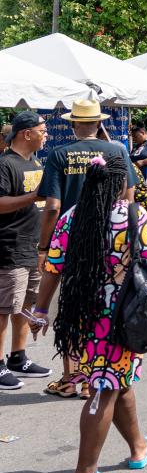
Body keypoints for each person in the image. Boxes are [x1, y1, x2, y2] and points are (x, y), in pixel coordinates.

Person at [31, 155, 147, 473]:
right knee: (105, 388)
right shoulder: (131, 216)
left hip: (82, 317)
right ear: (121, 185)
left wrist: (40, 310)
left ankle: (138, 448)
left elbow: (53, 267)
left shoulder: (72, 217)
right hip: (120, 319)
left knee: (119, 380)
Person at [36, 100, 138, 400]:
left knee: (71, 309)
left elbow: (52, 206)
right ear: (99, 123)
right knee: (104, 309)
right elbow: (128, 197)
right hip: (112, 241)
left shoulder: (59, 154)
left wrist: (44, 247)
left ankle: (71, 379)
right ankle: (94, 378)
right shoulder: (117, 151)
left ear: (72, 124)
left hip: (72, 242)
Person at [0, 111, 51, 390]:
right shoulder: (5, 164)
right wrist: (34, 196)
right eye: (43, 130)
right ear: (26, 133)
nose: (47, 135)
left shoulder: (34, 162)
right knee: (4, 307)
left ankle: (18, 358)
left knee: (26, 304)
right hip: (9, 244)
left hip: (33, 245)